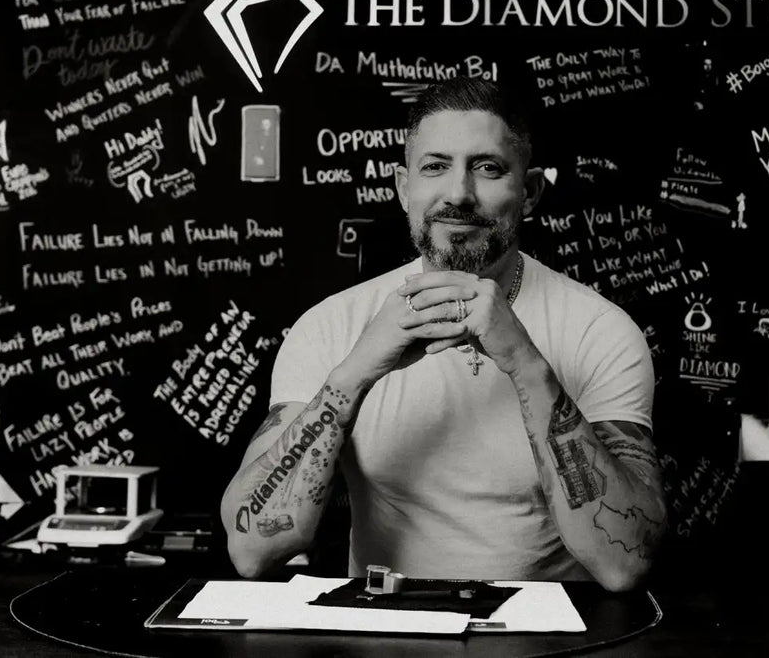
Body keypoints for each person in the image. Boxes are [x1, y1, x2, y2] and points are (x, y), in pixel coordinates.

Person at [219, 78, 665, 591]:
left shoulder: (599, 331)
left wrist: (525, 362)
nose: (458, 193)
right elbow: (253, 549)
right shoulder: (331, 327)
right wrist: (357, 371)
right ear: (404, 188)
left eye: (488, 168)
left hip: (550, 645)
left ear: (530, 192)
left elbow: (625, 563)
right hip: (383, 639)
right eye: (435, 167)